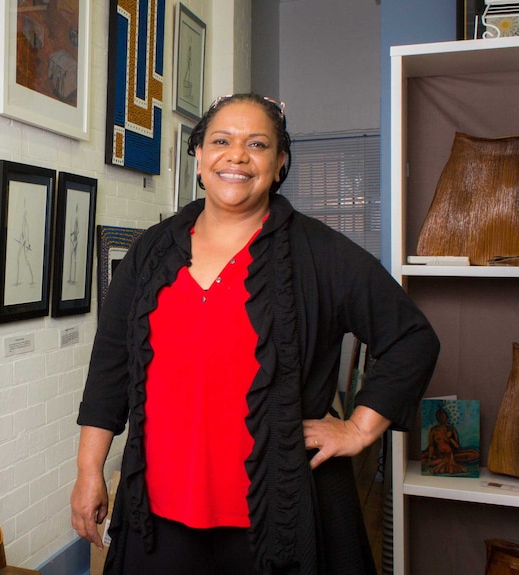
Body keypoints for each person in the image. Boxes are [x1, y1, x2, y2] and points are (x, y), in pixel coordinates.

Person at [70, 93, 440, 575]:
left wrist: (358, 428)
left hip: (275, 515)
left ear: (280, 162)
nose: (237, 156)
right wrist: (88, 471)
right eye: (221, 141)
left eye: (258, 144)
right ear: (198, 154)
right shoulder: (150, 253)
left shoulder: (319, 253)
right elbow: (110, 367)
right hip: (157, 512)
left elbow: (411, 336)